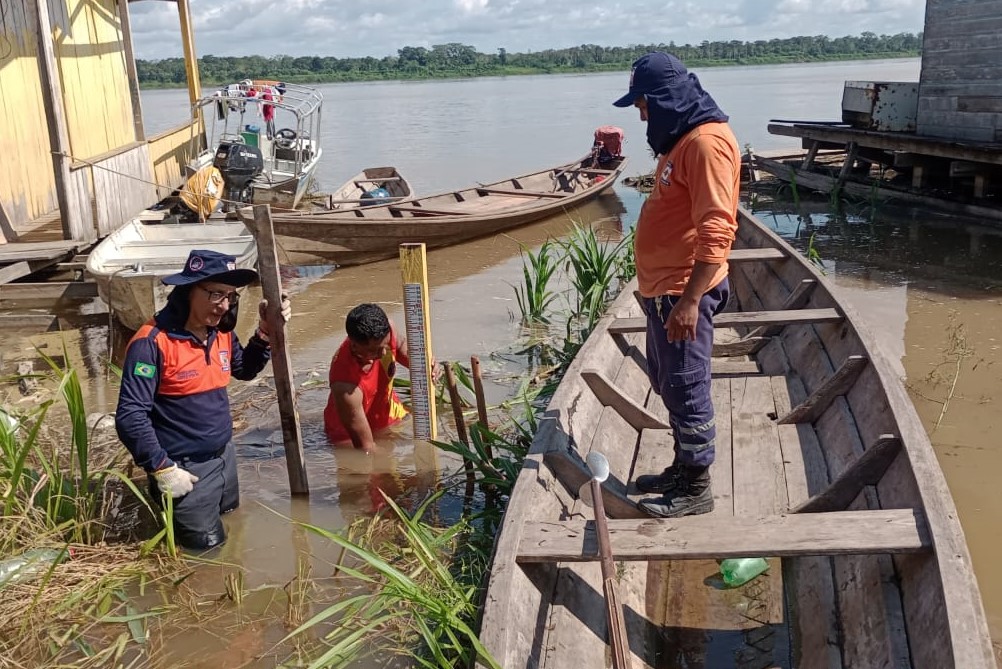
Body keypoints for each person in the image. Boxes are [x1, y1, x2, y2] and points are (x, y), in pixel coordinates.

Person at [613, 52, 740, 518]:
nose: (642, 113)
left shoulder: (706, 145)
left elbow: (718, 229)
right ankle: (683, 466)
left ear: (665, 98)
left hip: (683, 292)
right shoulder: (681, 140)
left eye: (643, 104)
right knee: (668, 382)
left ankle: (697, 486)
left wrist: (689, 300)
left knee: (686, 386)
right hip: (664, 291)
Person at [115, 249, 292, 549]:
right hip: (184, 469)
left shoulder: (219, 333)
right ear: (187, 290)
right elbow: (130, 416)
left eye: (230, 297)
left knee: (232, 526)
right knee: (205, 553)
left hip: (225, 458)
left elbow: (245, 369)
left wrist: (265, 332)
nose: (224, 306)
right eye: (215, 295)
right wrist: (162, 468)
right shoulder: (152, 343)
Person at [324, 303, 436, 451]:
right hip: (348, 436)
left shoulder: (387, 330)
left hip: (389, 414)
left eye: (385, 345)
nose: (383, 354)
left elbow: (401, 344)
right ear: (354, 346)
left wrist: (425, 363)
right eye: (373, 351)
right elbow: (367, 448)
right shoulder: (345, 386)